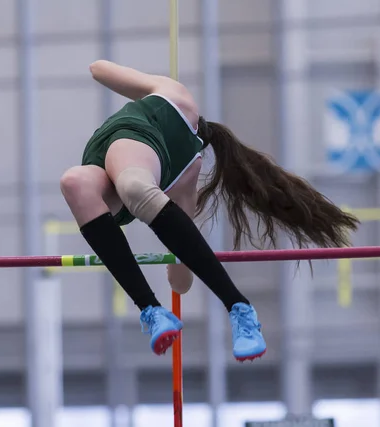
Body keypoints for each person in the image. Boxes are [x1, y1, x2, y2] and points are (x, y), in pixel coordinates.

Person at [60, 60, 360, 362]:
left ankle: (238, 307)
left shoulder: (177, 110)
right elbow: (181, 280)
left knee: (134, 186)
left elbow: (98, 68)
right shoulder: (182, 141)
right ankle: (153, 311)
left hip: (132, 173)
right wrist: (177, 271)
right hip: (109, 181)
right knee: (74, 182)